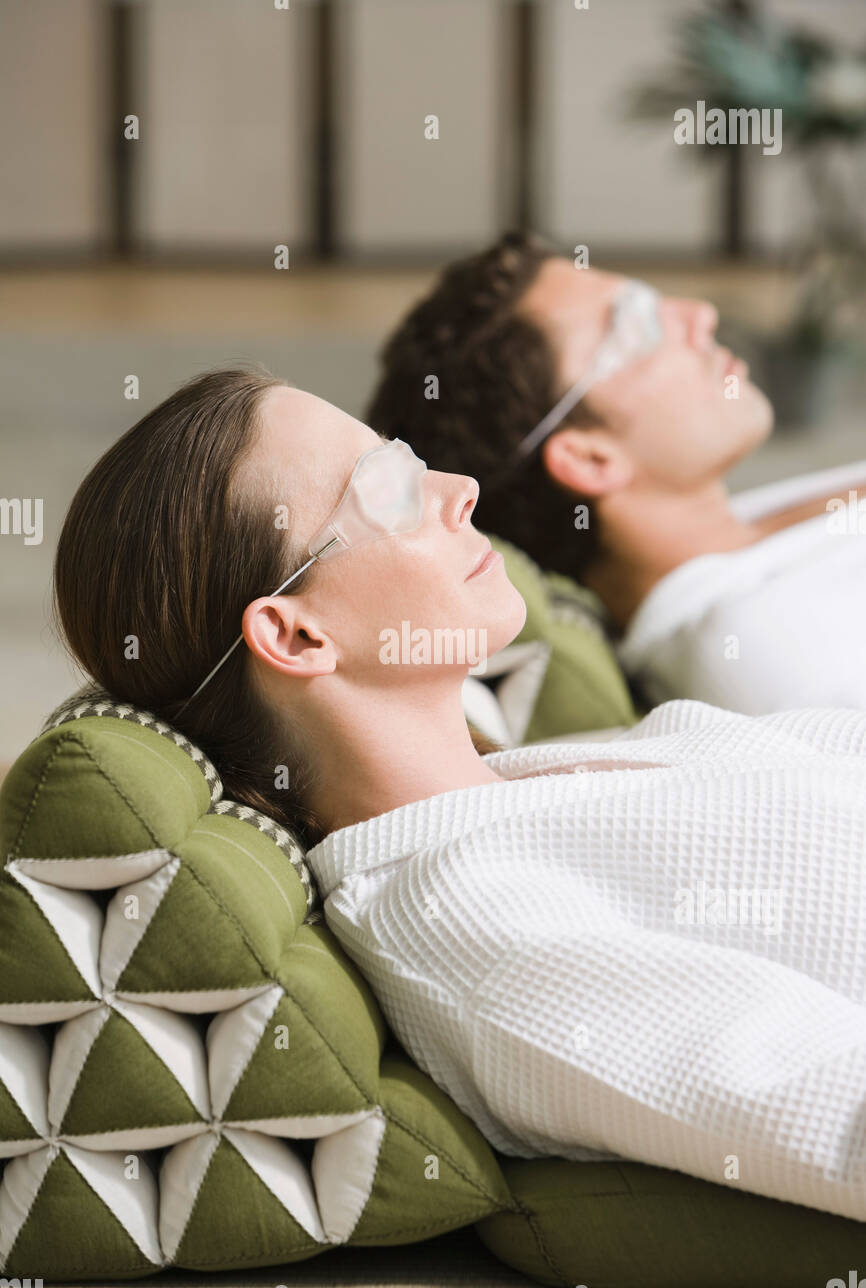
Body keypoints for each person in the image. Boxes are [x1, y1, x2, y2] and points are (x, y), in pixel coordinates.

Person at [52, 367, 866, 1225]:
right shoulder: (478, 930)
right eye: (386, 489)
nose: (461, 490)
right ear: (298, 635)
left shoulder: (531, 781)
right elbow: (837, 1120)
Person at [366, 231, 866, 715]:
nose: (700, 316)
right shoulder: (772, 650)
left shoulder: (751, 529)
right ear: (589, 459)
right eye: (636, 328)